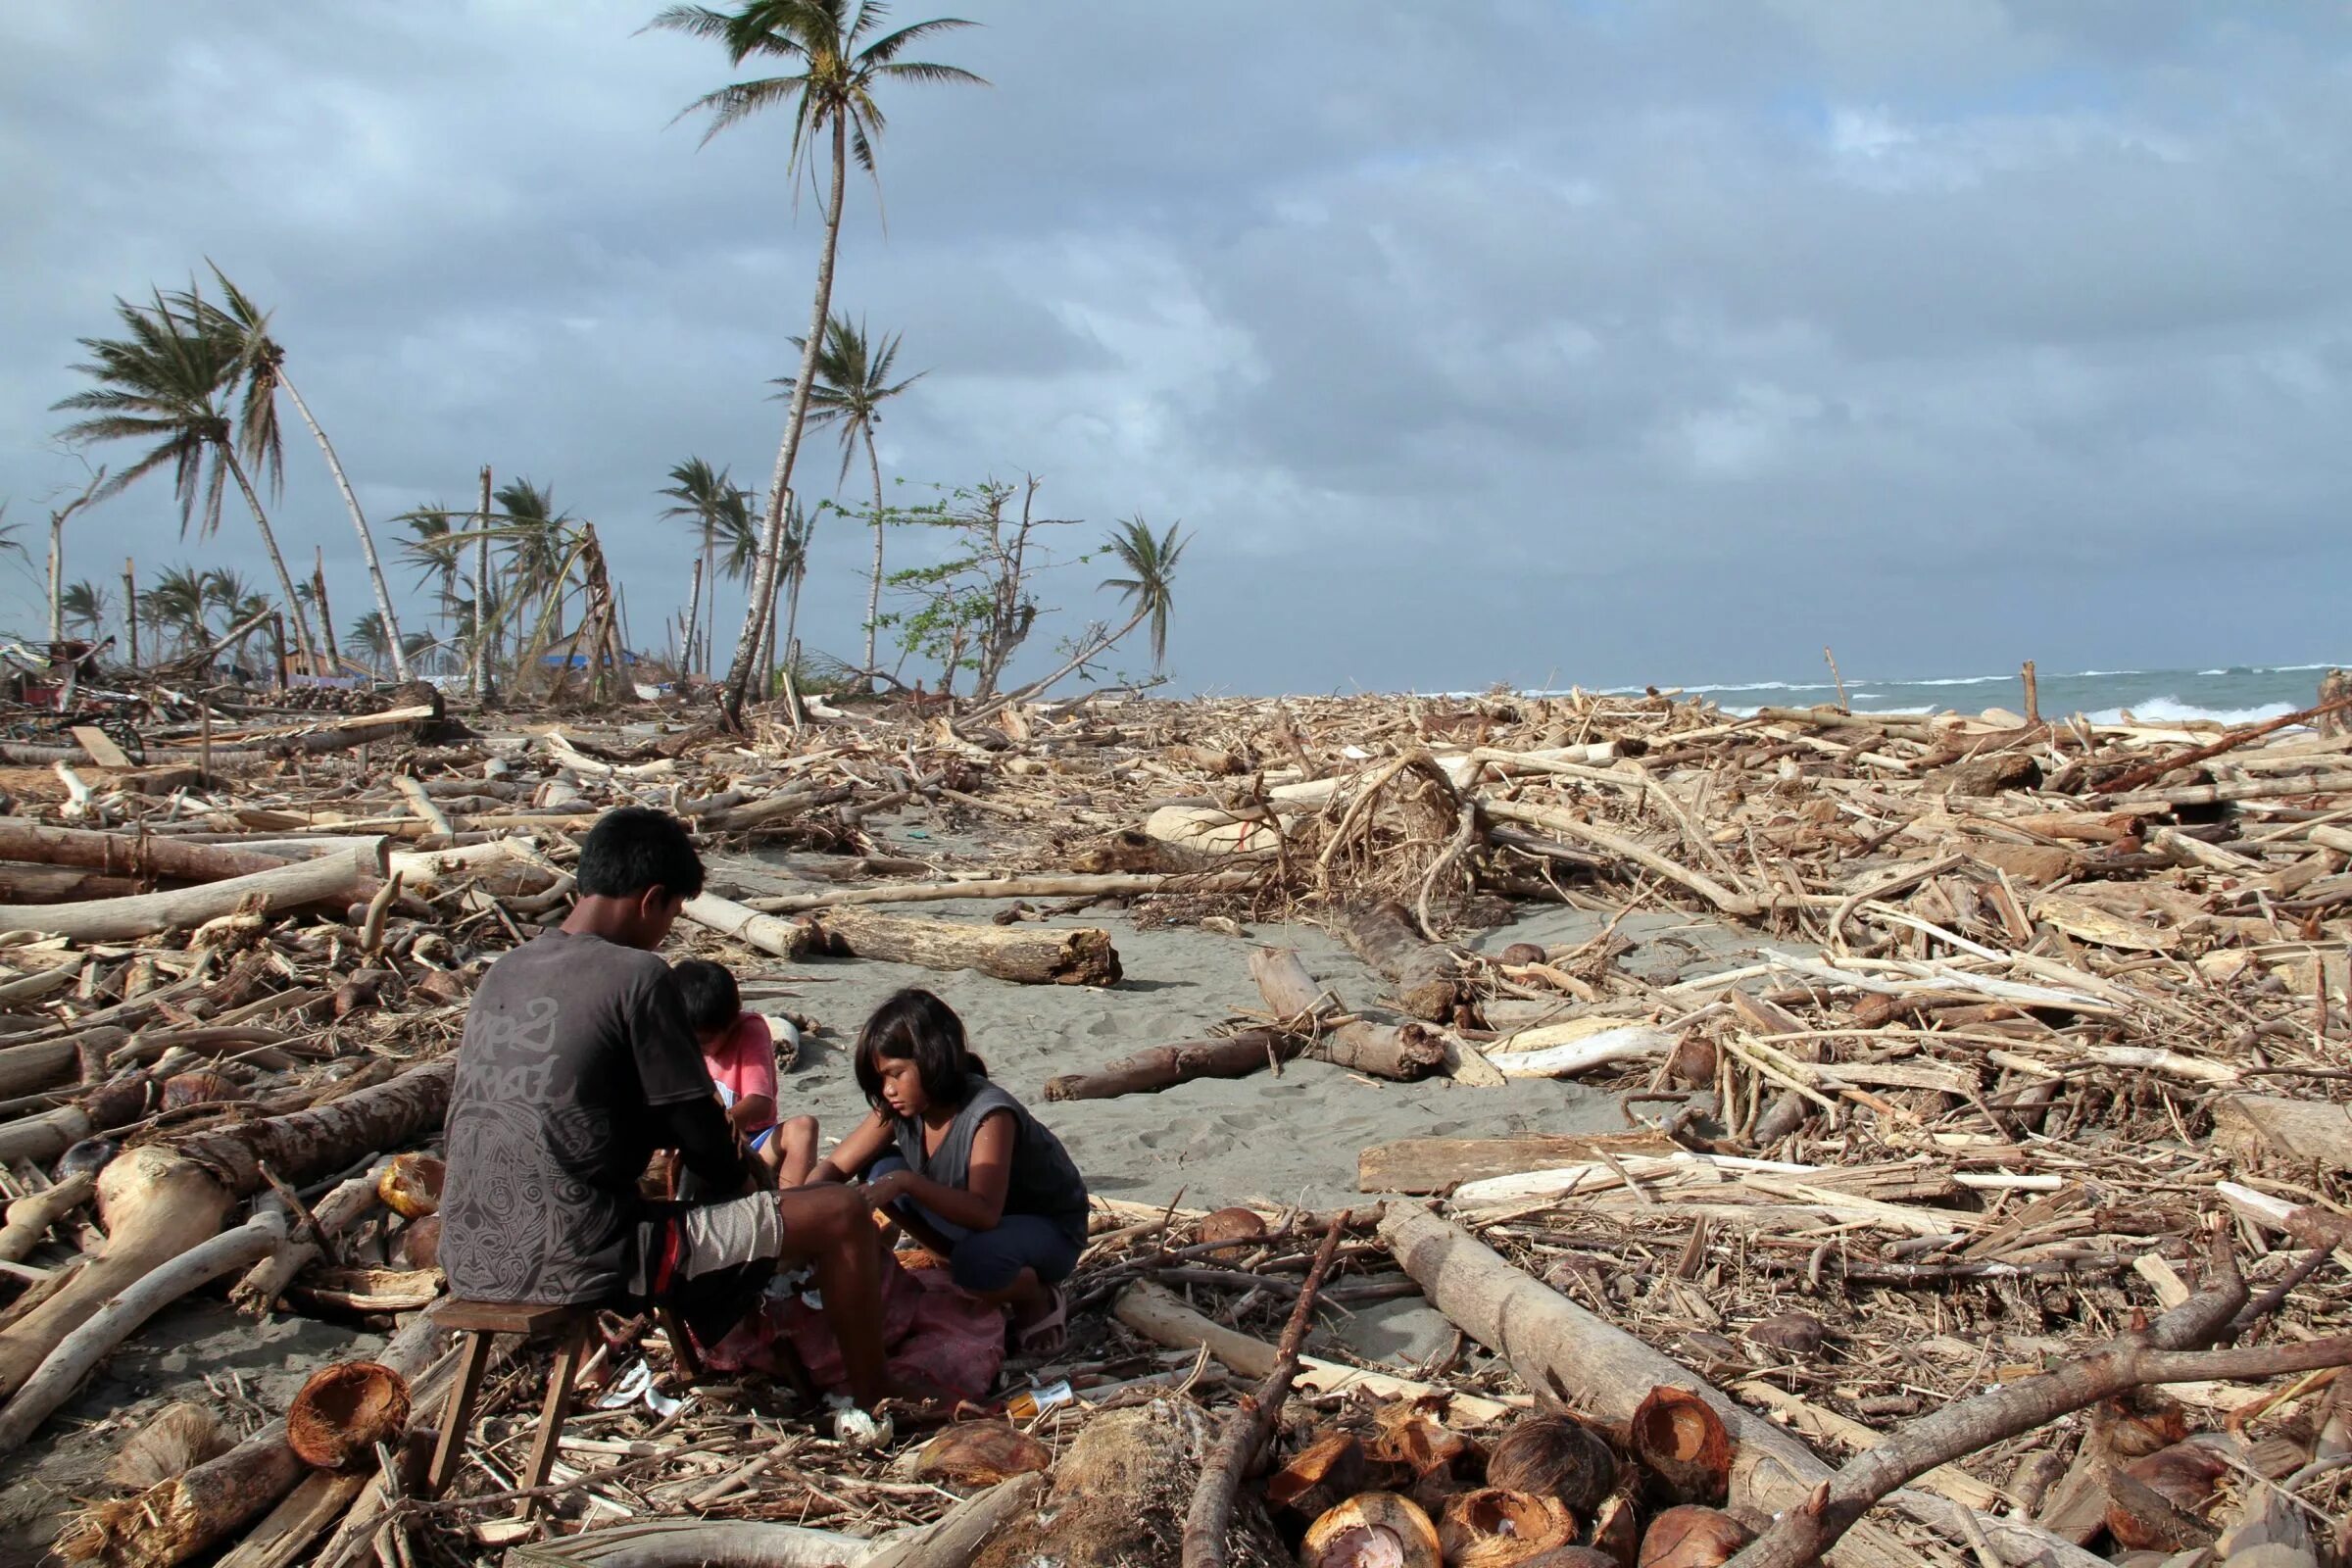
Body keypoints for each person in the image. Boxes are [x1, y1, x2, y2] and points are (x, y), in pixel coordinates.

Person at [437, 807, 894, 1408]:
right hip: (584, 1255)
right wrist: (752, 1186)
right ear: (652, 899)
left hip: (468, 1253)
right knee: (838, 1212)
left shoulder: (505, 973)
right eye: (674, 914)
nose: (666, 931)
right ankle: (878, 1402)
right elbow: (697, 1127)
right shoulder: (637, 975)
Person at [809, 989, 1089, 1351]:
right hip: (977, 1227)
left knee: (975, 1261)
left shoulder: (988, 1115)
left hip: (1046, 1229)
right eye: (881, 1079)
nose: (888, 1089)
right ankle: (954, 1260)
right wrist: (798, 1207)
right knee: (878, 1168)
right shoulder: (899, 1107)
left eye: (896, 1074)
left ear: (931, 1059)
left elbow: (985, 1213)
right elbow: (836, 1164)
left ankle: (1033, 1295)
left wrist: (906, 1182)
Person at [671, 957, 817, 1186]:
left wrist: (720, 1126)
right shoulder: (675, 1036)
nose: (699, 1049)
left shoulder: (750, 1031)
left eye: (706, 1042)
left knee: (803, 1128)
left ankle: (789, 1207)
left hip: (753, 1141)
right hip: (699, 1147)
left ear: (732, 1022)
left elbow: (760, 1103)